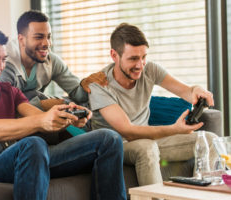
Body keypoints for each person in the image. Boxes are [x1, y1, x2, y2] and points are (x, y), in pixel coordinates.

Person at [0, 27, 127, 200]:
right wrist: (42, 121)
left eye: (4, 60)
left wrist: (66, 117)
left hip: (28, 157)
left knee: (108, 139)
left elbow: (35, 116)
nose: (0, 67)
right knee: (33, 143)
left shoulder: (8, 91)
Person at [88, 23, 218, 186]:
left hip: (149, 142)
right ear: (114, 55)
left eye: (143, 57)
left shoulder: (149, 70)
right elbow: (129, 132)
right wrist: (174, 129)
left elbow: (186, 91)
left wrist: (196, 90)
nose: (140, 65)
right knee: (147, 148)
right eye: (133, 58)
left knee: (210, 139)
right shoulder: (99, 85)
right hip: (119, 147)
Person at [0, 10, 107, 110]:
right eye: (39, 37)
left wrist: (84, 84)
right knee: (34, 96)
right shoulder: (3, 65)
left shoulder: (51, 61)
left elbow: (77, 94)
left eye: (48, 37)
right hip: (16, 123)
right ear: (21, 40)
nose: (47, 43)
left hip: (39, 118)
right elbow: (3, 110)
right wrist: (42, 105)